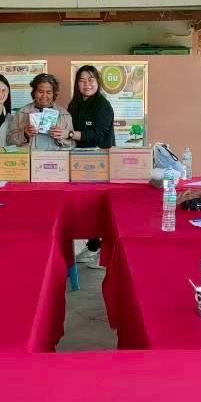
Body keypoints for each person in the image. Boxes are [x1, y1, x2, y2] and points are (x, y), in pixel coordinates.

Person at [68, 64, 116, 262]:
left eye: (91, 79)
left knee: (97, 205)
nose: (86, 84)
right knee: (83, 204)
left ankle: (97, 248)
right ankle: (92, 245)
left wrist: (72, 134)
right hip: (79, 160)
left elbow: (99, 135)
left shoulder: (103, 106)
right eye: (82, 80)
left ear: (98, 82)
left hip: (100, 161)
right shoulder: (74, 105)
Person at [7, 73, 76, 150]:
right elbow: (9, 141)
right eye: (40, 92)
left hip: (55, 157)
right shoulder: (21, 113)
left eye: (48, 92)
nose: (44, 96)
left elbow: (72, 144)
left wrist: (61, 137)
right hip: (30, 156)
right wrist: (24, 134)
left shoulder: (64, 114)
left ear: (53, 94)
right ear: (34, 92)